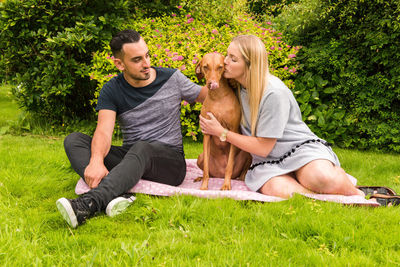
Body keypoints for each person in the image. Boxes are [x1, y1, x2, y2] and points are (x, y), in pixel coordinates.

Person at [56, 29, 207, 228]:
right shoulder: (112, 89)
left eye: (147, 55)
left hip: (169, 165)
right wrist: (96, 161)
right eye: (137, 60)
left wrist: (229, 78)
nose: (146, 64)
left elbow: (208, 97)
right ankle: (118, 195)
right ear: (119, 64)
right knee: (74, 140)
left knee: (142, 147)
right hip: (132, 159)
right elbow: (103, 131)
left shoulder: (172, 78)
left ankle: (88, 204)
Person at [199, 34, 365, 199]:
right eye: (227, 55)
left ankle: (358, 194)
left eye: (233, 59)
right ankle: (322, 200)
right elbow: (207, 93)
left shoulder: (273, 92)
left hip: (298, 150)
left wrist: (222, 132)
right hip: (267, 161)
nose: (225, 61)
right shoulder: (236, 86)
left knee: (321, 177)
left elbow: (263, 147)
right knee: (277, 189)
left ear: (250, 65)